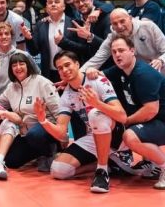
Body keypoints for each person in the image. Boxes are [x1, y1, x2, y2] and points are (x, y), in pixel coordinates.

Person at [81, 8, 165, 180]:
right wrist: (78, 76)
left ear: (130, 18)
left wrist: (160, 60)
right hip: (139, 77)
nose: (119, 26)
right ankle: (151, 161)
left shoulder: (148, 27)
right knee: (145, 120)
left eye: (122, 21)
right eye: (114, 23)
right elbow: (98, 58)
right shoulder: (114, 37)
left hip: (164, 74)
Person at [104, 37, 165, 191]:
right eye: (114, 52)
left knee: (130, 136)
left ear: (132, 51)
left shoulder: (143, 74)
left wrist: (125, 121)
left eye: (121, 50)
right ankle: (154, 164)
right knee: (128, 128)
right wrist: (85, 74)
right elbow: (98, 75)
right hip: (160, 121)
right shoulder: (121, 70)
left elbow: (151, 110)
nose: (117, 54)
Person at [42, 51, 126, 194]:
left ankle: (102, 172)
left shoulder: (97, 80)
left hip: (116, 134)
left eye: (67, 65)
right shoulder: (66, 96)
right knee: (58, 170)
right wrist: (43, 120)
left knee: (95, 115)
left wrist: (96, 103)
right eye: (60, 68)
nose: (64, 70)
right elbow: (61, 133)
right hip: (93, 134)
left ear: (77, 64)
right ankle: (109, 164)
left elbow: (122, 116)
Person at [0, 52, 61, 180]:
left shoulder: (42, 82)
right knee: (11, 161)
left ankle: (49, 152)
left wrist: (62, 135)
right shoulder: (11, 87)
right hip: (25, 133)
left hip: (46, 128)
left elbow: (58, 111)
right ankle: (37, 152)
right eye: (14, 65)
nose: (18, 67)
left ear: (28, 65)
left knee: (35, 135)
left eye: (21, 64)